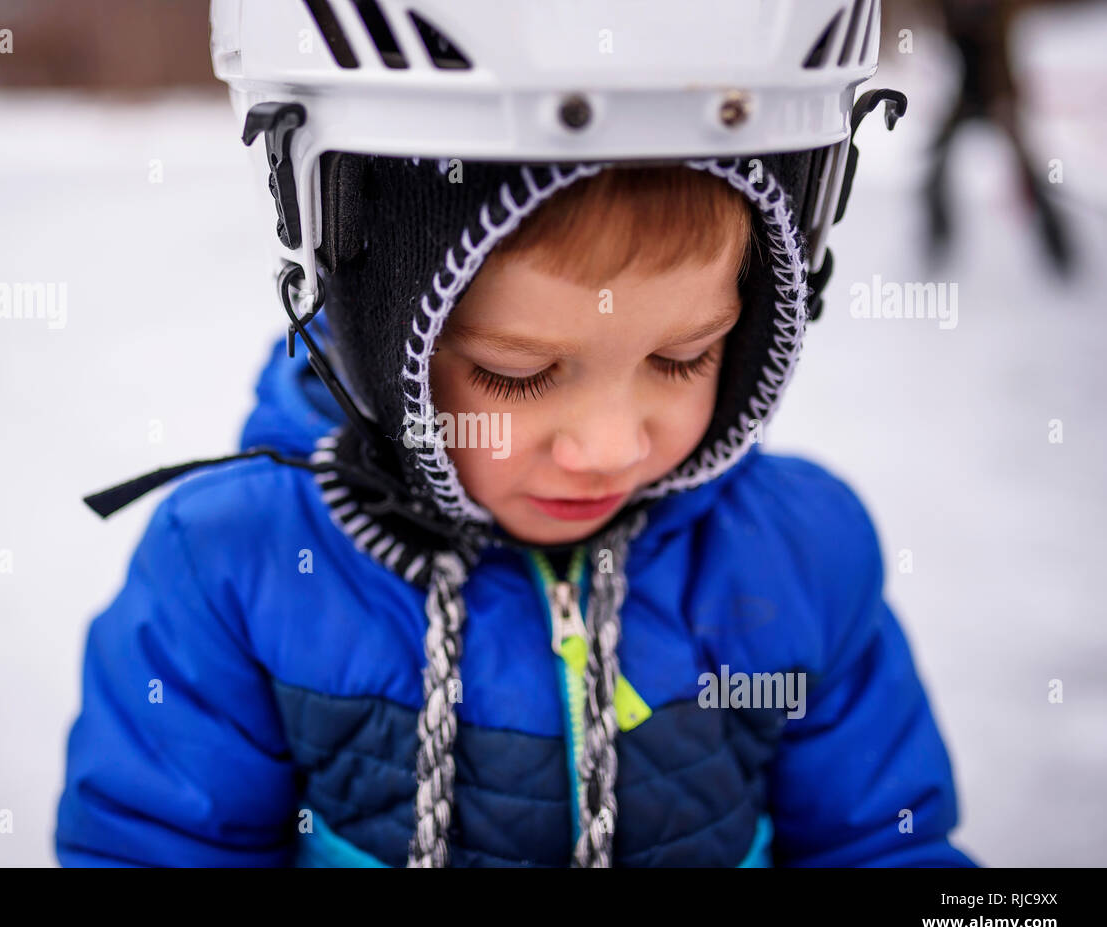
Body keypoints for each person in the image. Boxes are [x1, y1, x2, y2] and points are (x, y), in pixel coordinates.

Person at [54, 2, 978, 867]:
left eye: (688, 355)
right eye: (518, 374)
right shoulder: (235, 570)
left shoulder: (797, 556)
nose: (609, 446)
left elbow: (885, 844)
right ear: (374, 331)